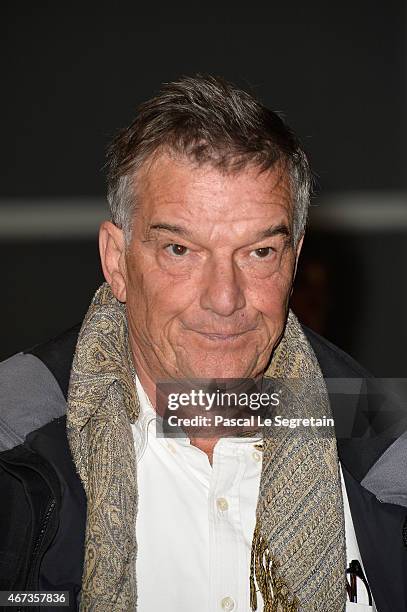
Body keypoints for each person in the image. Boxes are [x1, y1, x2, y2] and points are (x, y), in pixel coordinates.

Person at [0, 74, 406, 612]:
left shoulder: (386, 460)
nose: (224, 298)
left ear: (294, 260)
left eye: (259, 252)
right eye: (180, 250)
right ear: (116, 261)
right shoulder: (12, 445)